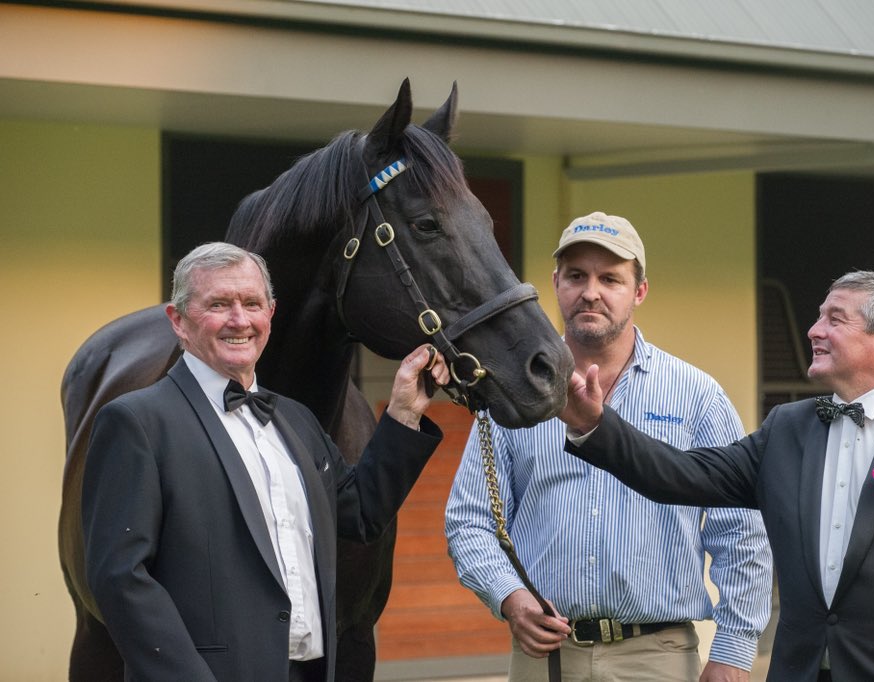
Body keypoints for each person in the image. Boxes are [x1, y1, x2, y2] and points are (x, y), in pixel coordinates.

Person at [560, 269, 874, 681]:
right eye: (819, 318)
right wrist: (594, 425)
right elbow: (680, 474)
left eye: (835, 319)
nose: (814, 330)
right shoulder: (786, 428)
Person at [81, 242, 450, 682]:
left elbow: (358, 514)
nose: (240, 320)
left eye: (252, 304)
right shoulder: (135, 421)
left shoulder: (296, 420)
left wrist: (404, 413)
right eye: (218, 304)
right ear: (178, 321)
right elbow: (121, 578)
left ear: (270, 315)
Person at [445, 212, 773, 682]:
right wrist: (509, 597)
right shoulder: (516, 394)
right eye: (576, 276)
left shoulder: (696, 396)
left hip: (656, 653)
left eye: (610, 278)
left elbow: (741, 532)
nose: (591, 292)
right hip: (546, 657)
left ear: (639, 291)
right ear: (556, 284)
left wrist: (734, 650)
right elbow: (469, 519)